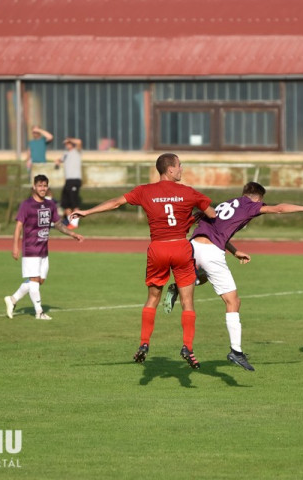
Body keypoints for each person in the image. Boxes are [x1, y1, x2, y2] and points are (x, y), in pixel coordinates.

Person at [71, 153, 216, 369]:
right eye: (179, 166)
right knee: (187, 302)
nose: (181, 169)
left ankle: (144, 343)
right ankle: (187, 347)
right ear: (170, 170)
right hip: (180, 247)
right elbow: (212, 214)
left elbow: (115, 203)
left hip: (157, 248)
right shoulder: (188, 192)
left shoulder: (145, 191)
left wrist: (87, 211)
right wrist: (195, 216)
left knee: (153, 298)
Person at [163, 182, 303, 371]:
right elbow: (278, 209)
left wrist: (235, 251)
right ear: (258, 198)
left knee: (204, 275)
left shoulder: (226, 203)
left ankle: (178, 285)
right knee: (233, 302)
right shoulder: (250, 205)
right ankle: (236, 351)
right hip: (211, 252)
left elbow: (218, 229)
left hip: (192, 246)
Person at [6, 174, 84, 320]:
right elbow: (18, 226)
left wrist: (72, 234)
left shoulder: (50, 205)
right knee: (34, 281)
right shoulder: (26, 205)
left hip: (43, 251)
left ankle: (12, 299)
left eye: (45, 186)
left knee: (38, 282)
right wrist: (15, 247)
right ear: (34, 187)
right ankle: (39, 312)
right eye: (40, 185)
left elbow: (58, 224)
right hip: (30, 250)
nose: (42, 188)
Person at [56, 137, 82, 229]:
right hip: (68, 180)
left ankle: (75, 224)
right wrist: (57, 162)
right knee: (65, 203)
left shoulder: (76, 151)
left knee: (74, 203)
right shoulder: (66, 154)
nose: (67, 145)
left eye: (68, 143)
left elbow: (79, 141)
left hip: (75, 179)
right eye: (66, 144)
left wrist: (69, 139)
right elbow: (60, 160)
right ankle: (69, 222)